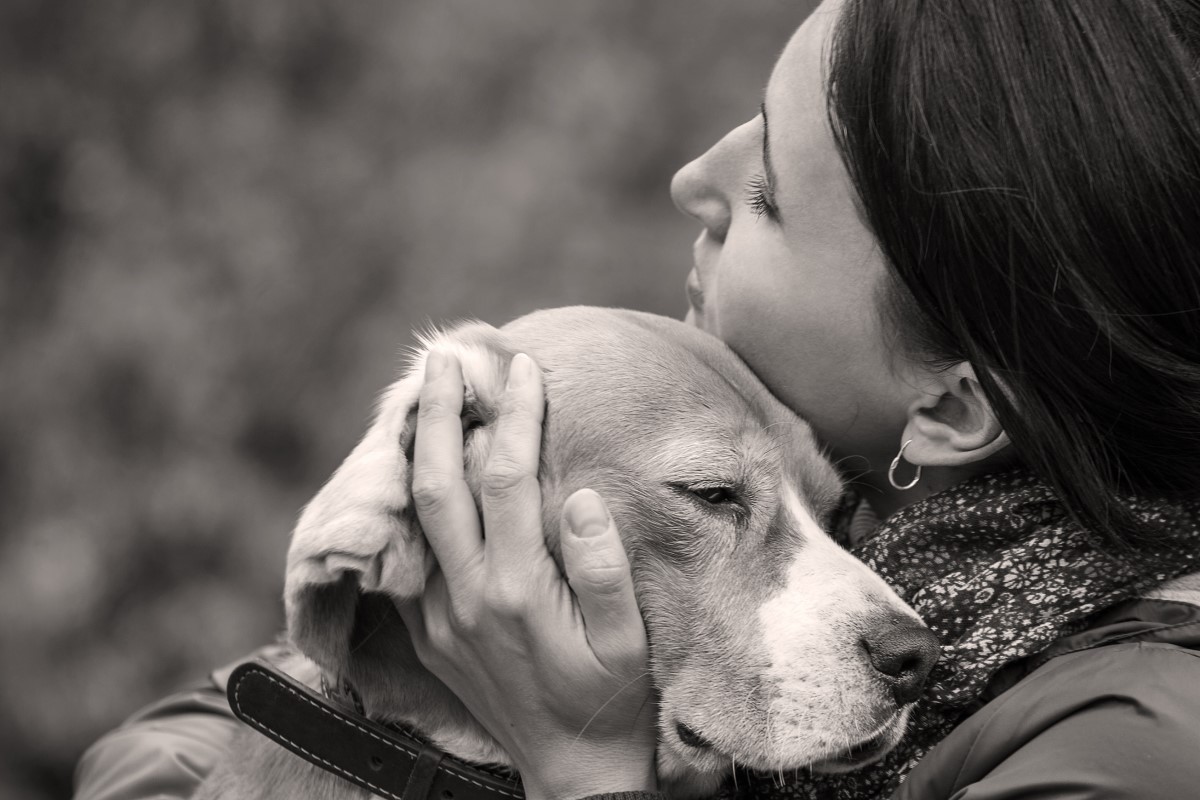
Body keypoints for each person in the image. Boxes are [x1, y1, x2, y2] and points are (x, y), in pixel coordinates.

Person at [74, 1, 1200, 798]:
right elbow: (168, 746)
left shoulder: (1134, 745)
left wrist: (586, 763)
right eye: (720, 493)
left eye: (767, 194)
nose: (692, 181)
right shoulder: (854, 517)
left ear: (952, 407)